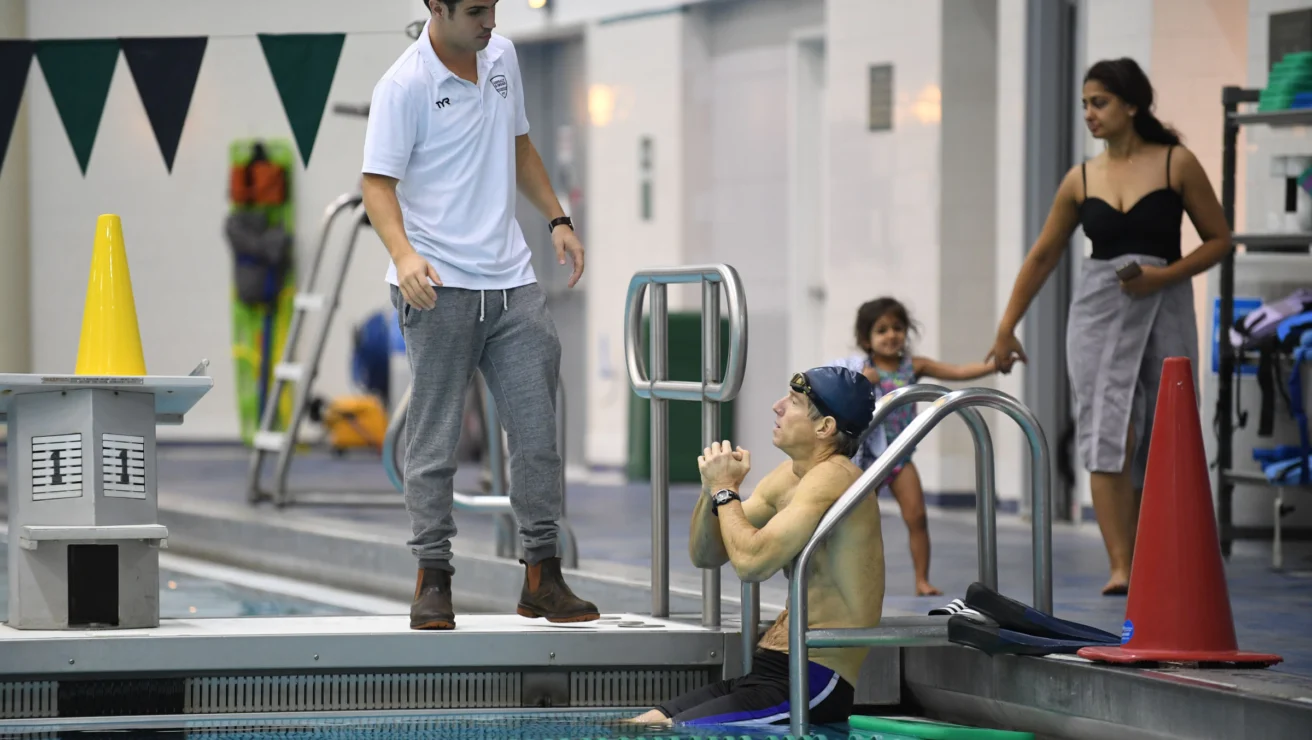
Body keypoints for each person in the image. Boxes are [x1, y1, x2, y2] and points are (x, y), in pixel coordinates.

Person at [360, 0, 598, 629]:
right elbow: (376, 185)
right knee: (434, 441)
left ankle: (543, 575)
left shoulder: (503, 57)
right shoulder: (403, 85)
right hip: (436, 284)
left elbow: (518, 145)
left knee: (538, 436)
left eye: (492, 6)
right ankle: (432, 579)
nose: (488, 20)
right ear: (435, 8)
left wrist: (558, 218)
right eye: (473, 10)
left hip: (512, 281)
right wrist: (404, 254)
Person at [987, 58, 1232, 596]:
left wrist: (1165, 275)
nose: (1089, 114)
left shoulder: (1175, 163)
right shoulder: (1081, 177)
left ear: (1131, 104)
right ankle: (1121, 564)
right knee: (1105, 431)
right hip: (1099, 310)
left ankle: (1161, 553)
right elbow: (1042, 256)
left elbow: (1219, 239)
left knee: (1165, 428)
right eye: (1084, 105)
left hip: (1162, 302)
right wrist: (1006, 328)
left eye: (1098, 102)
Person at [629, 367, 885, 729]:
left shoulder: (835, 477)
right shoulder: (788, 477)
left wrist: (725, 491)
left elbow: (751, 563)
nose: (777, 407)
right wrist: (711, 489)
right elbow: (707, 554)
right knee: (642, 723)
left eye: (793, 402)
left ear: (824, 427)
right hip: (772, 669)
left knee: (671, 732)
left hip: (815, 679)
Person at [831, 298, 997, 597]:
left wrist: (994, 365)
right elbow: (838, 398)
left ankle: (922, 579)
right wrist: (860, 383)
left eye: (897, 327)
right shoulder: (862, 370)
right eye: (881, 330)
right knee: (858, 523)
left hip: (901, 456)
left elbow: (956, 372)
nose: (891, 335)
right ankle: (849, 579)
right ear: (866, 339)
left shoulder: (913, 366)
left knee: (917, 517)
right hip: (871, 459)